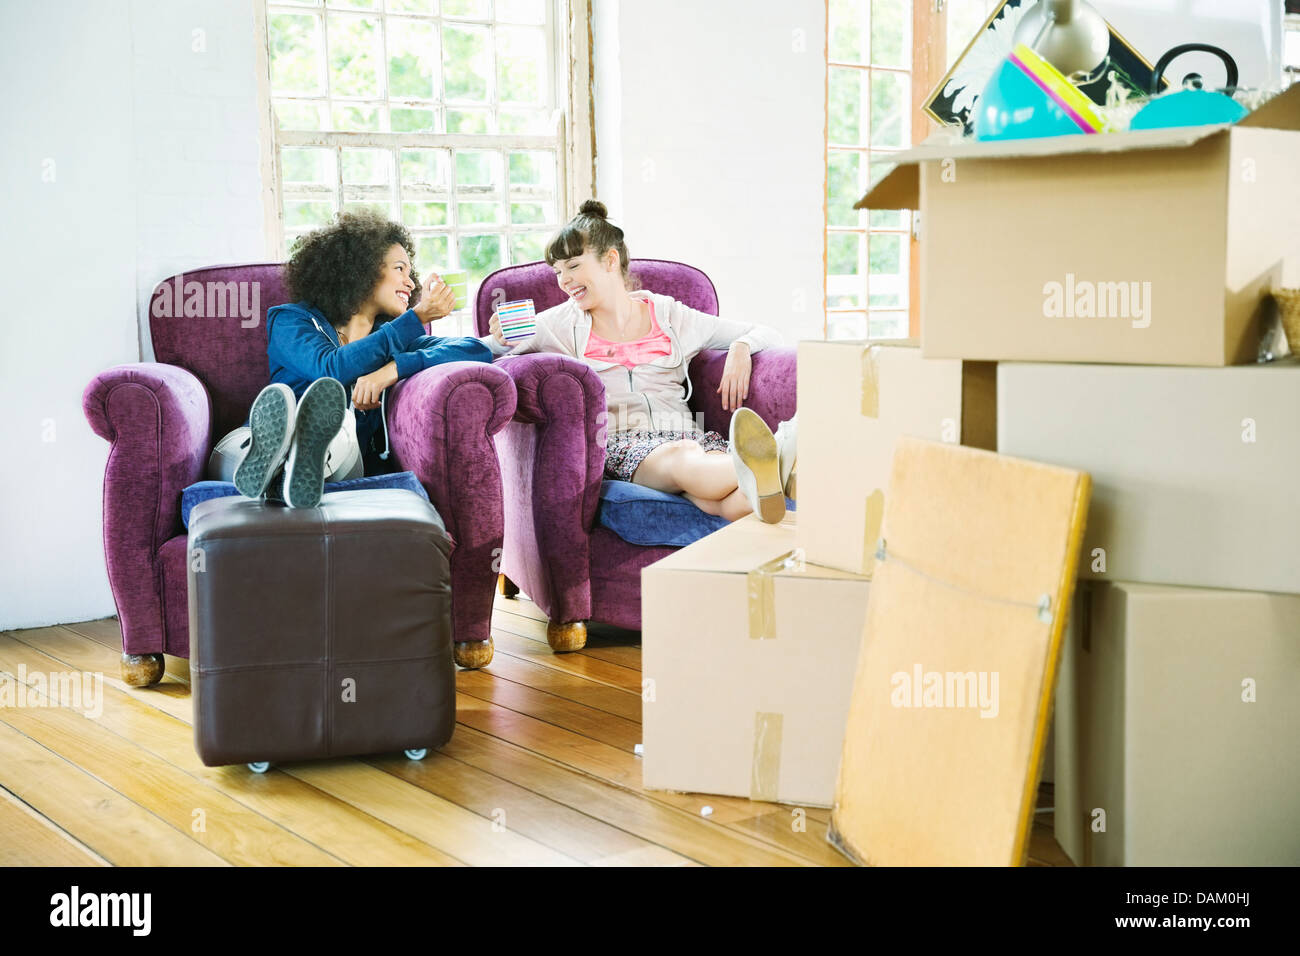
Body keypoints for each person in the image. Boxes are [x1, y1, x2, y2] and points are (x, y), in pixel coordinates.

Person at [487, 200, 797, 523]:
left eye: (573, 266)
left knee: (721, 502)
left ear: (610, 260)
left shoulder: (669, 315)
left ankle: (772, 474)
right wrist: (500, 337)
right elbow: (487, 354)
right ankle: (780, 455)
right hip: (626, 444)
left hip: (688, 433)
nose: (563, 281)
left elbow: (768, 333)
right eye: (558, 271)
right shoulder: (560, 324)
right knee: (684, 458)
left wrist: (742, 347)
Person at [209, 210, 501, 507]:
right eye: (400, 269)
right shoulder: (291, 320)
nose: (411, 283)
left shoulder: (396, 339)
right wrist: (418, 316)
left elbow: (473, 349)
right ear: (362, 269)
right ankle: (277, 469)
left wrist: (394, 369)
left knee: (340, 428)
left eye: (410, 273)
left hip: (342, 457)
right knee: (239, 449)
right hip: (255, 438)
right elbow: (330, 368)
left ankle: (293, 468)